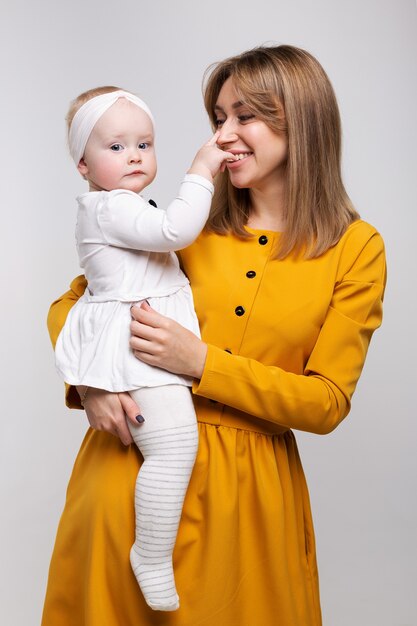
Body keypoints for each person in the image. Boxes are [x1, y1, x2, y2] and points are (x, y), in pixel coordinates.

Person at [43, 45, 386, 626]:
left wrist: (203, 362)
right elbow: (73, 304)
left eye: (244, 116)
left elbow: (327, 401)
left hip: (248, 504)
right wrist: (92, 384)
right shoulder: (184, 224)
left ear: (300, 119)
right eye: (218, 118)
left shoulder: (356, 248)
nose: (224, 135)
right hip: (128, 476)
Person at [53, 86, 234, 611]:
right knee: (175, 447)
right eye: (115, 147)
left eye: (144, 143)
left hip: (139, 340)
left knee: (171, 446)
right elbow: (176, 230)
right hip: (135, 347)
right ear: (83, 164)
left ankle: (151, 553)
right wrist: (200, 171)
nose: (133, 155)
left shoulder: (123, 205)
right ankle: (151, 554)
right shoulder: (110, 209)